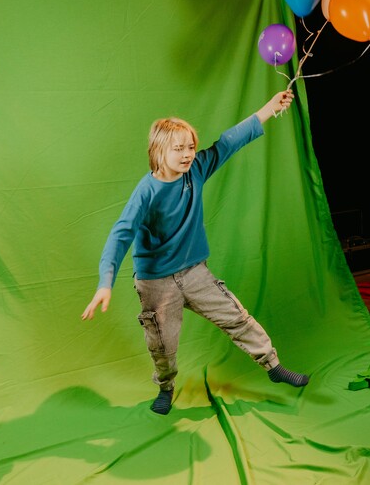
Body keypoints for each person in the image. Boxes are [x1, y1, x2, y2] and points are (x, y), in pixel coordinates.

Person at [81, 90, 309, 415]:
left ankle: (272, 365)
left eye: (191, 146)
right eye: (179, 149)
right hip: (156, 283)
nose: (188, 154)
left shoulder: (197, 170)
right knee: (163, 346)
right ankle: (165, 387)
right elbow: (120, 235)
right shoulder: (146, 192)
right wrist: (105, 283)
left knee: (237, 317)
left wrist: (270, 109)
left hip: (194, 273)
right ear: (159, 151)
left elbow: (230, 140)